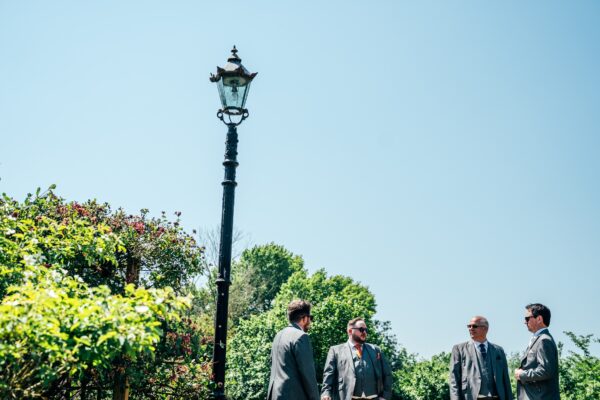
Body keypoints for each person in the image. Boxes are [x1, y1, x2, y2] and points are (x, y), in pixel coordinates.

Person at [321, 318, 392, 400]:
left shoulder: (375, 350)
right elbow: (328, 375)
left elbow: (387, 374)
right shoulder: (335, 350)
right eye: (361, 329)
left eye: (366, 330)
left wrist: (385, 396)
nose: (364, 332)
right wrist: (325, 393)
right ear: (350, 331)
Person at [449, 316, 513, 400]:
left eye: (474, 326)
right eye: (469, 326)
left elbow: (505, 379)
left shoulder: (498, 350)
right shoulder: (459, 349)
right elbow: (454, 379)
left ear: (485, 329)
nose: (471, 329)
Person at [267, 299, 320, 400]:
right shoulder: (301, 336)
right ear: (304, 318)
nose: (310, 322)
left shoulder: (278, 336)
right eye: (310, 318)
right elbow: (308, 375)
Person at [514, 303, 560, 400]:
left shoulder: (544, 340)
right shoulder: (539, 339)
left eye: (527, 318)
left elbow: (546, 371)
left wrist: (522, 374)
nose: (525, 322)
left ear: (539, 319)